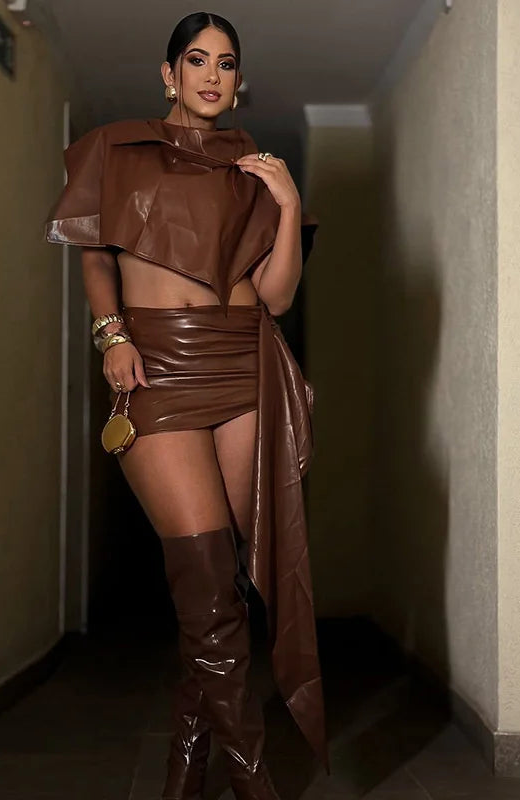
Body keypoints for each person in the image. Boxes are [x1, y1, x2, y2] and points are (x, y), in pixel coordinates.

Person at [45, 12, 327, 799]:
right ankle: (252, 777)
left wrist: (287, 197)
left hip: (242, 363)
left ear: (240, 81)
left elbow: (276, 294)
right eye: (196, 60)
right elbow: (97, 257)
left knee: (224, 584)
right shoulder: (116, 148)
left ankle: (185, 767)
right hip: (158, 371)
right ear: (168, 74)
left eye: (226, 63)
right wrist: (110, 336)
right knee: (204, 574)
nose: (211, 74)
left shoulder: (256, 169)